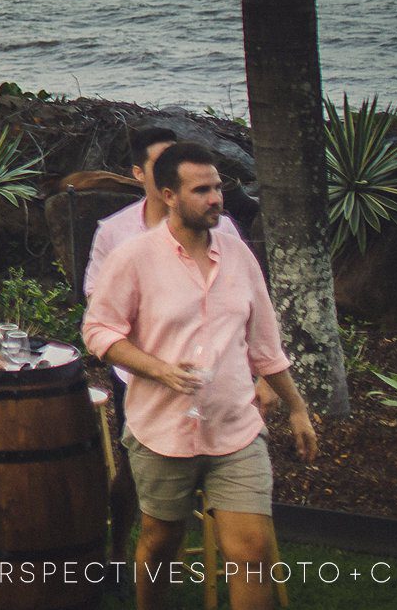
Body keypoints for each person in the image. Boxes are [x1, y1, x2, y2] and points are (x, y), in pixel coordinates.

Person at [84, 147, 319, 610]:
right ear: (169, 195)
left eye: (218, 188)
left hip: (235, 429)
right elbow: (98, 330)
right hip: (161, 431)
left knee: (251, 550)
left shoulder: (239, 255)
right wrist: (159, 370)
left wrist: (297, 408)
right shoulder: (133, 256)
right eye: (202, 190)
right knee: (161, 544)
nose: (216, 199)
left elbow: (265, 345)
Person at [85, 125, 251, 301]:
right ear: (139, 173)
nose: (169, 171)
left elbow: (245, 289)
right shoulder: (114, 232)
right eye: (160, 164)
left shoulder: (221, 227)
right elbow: (96, 295)